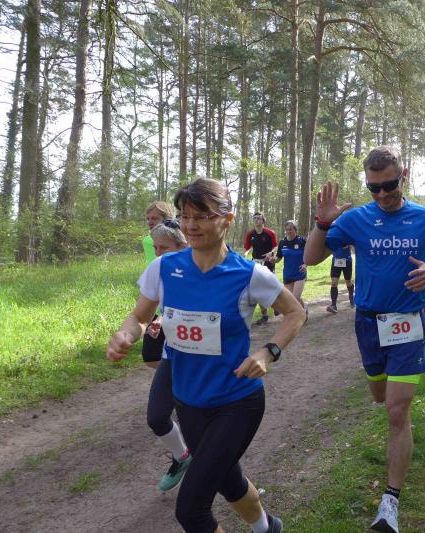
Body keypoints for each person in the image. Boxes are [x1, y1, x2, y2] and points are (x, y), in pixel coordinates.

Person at [107, 178, 305, 533]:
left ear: (227, 220)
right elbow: (138, 316)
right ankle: (268, 528)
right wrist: (125, 334)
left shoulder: (249, 275)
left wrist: (268, 351)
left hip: (237, 402)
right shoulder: (164, 268)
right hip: (188, 402)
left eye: (202, 216)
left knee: (191, 510)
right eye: (184, 216)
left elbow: (295, 312)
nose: (190, 225)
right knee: (228, 480)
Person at [304, 146, 425, 533]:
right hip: (368, 324)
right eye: (374, 188)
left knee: (397, 411)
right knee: (380, 396)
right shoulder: (356, 219)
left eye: (389, 185)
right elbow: (311, 258)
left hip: (408, 323)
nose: (383, 194)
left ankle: (390, 503)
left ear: (403, 175)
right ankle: (393, 409)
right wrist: (322, 223)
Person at [140, 220, 194, 492]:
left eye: (164, 248)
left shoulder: (202, 270)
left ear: (183, 246)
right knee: (156, 417)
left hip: (203, 360)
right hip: (172, 354)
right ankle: (182, 456)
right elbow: (152, 309)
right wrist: (158, 321)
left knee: (201, 429)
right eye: (156, 248)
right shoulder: (160, 270)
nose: (158, 254)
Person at [244, 212, 278, 325]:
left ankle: (277, 305)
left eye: (259, 218)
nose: (256, 220)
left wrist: (271, 253)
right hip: (256, 263)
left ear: (263, 220)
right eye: (255, 218)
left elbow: (276, 246)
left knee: (270, 286)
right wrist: (246, 253)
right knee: (258, 289)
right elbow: (247, 247)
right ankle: (264, 315)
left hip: (268, 263)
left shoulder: (270, 233)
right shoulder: (250, 234)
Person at [275, 220, 308, 317]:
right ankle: (304, 311)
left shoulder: (302, 241)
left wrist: (305, 265)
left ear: (295, 230)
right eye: (287, 230)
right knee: (293, 298)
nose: (288, 231)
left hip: (300, 274)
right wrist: (273, 260)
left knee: (294, 298)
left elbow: (309, 255)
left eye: (290, 229)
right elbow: (278, 257)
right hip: (288, 275)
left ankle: (297, 317)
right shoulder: (282, 242)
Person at [326, 244, 354, 314]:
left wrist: (348, 245)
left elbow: (352, 244)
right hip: (336, 261)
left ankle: (351, 297)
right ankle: (333, 305)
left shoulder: (346, 237)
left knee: (348, 282)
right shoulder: (333, 238)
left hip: (347, 261)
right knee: (334, 283)